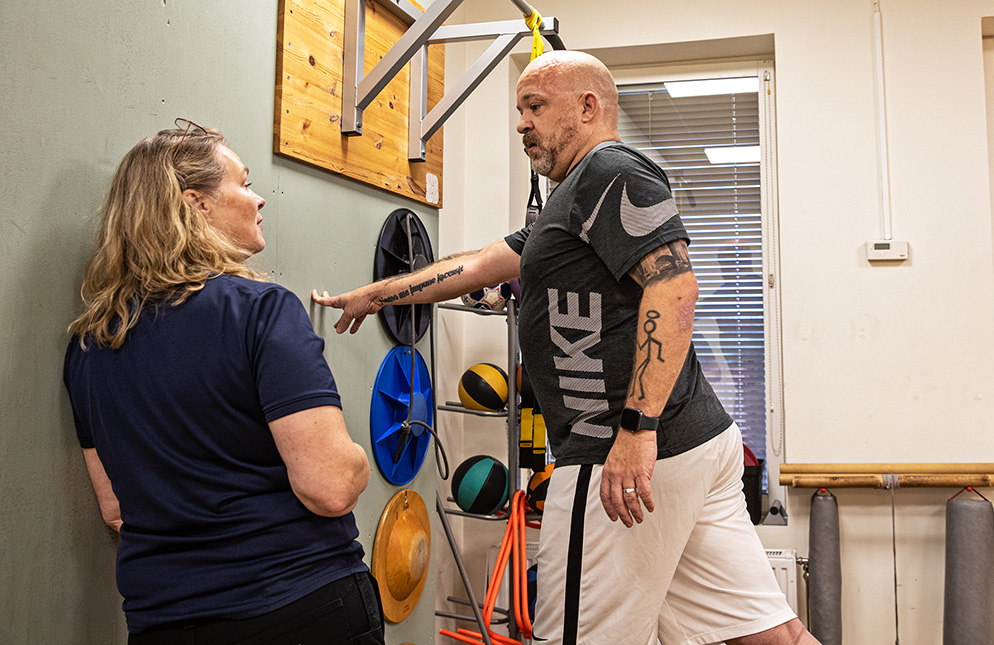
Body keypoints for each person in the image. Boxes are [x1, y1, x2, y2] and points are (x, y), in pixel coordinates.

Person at [314, 51, 819, 645]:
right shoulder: (573, 200)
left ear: (588, 106)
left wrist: (636, 429)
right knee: (768, 633)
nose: (522, 123)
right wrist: (378, 294)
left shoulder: (610, 172)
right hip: (690, 448)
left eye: (535, 106)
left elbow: (675, 287)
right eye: (519, 109)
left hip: (621, 455)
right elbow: (477, 265)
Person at [63, 122, 384, 645]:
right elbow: (331, 487)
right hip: (299, 606)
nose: (259, 200)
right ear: (196, 205)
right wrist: (356, 459)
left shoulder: (89, 345)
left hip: (164, 620)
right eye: (244, 182)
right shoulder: (260, 310)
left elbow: (117, 510)